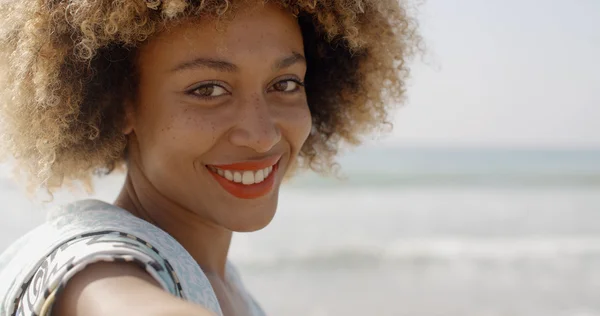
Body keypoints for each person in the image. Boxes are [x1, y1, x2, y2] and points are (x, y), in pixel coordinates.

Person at [0, 0, 420, 315]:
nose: (261, 136)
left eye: (286, 83)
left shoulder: (225, 285)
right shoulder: (91, 264)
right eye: (208, 90)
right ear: (120, 102)